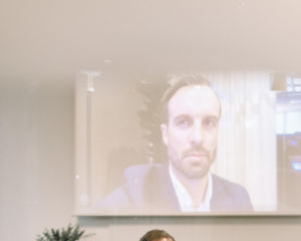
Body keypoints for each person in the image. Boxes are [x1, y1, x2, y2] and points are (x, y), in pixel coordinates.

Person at [97, 75, 254, 213]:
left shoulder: (238, 199)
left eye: (209, 122)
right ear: (165, 134)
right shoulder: (133, 197)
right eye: (183, 122)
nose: (197, 138)